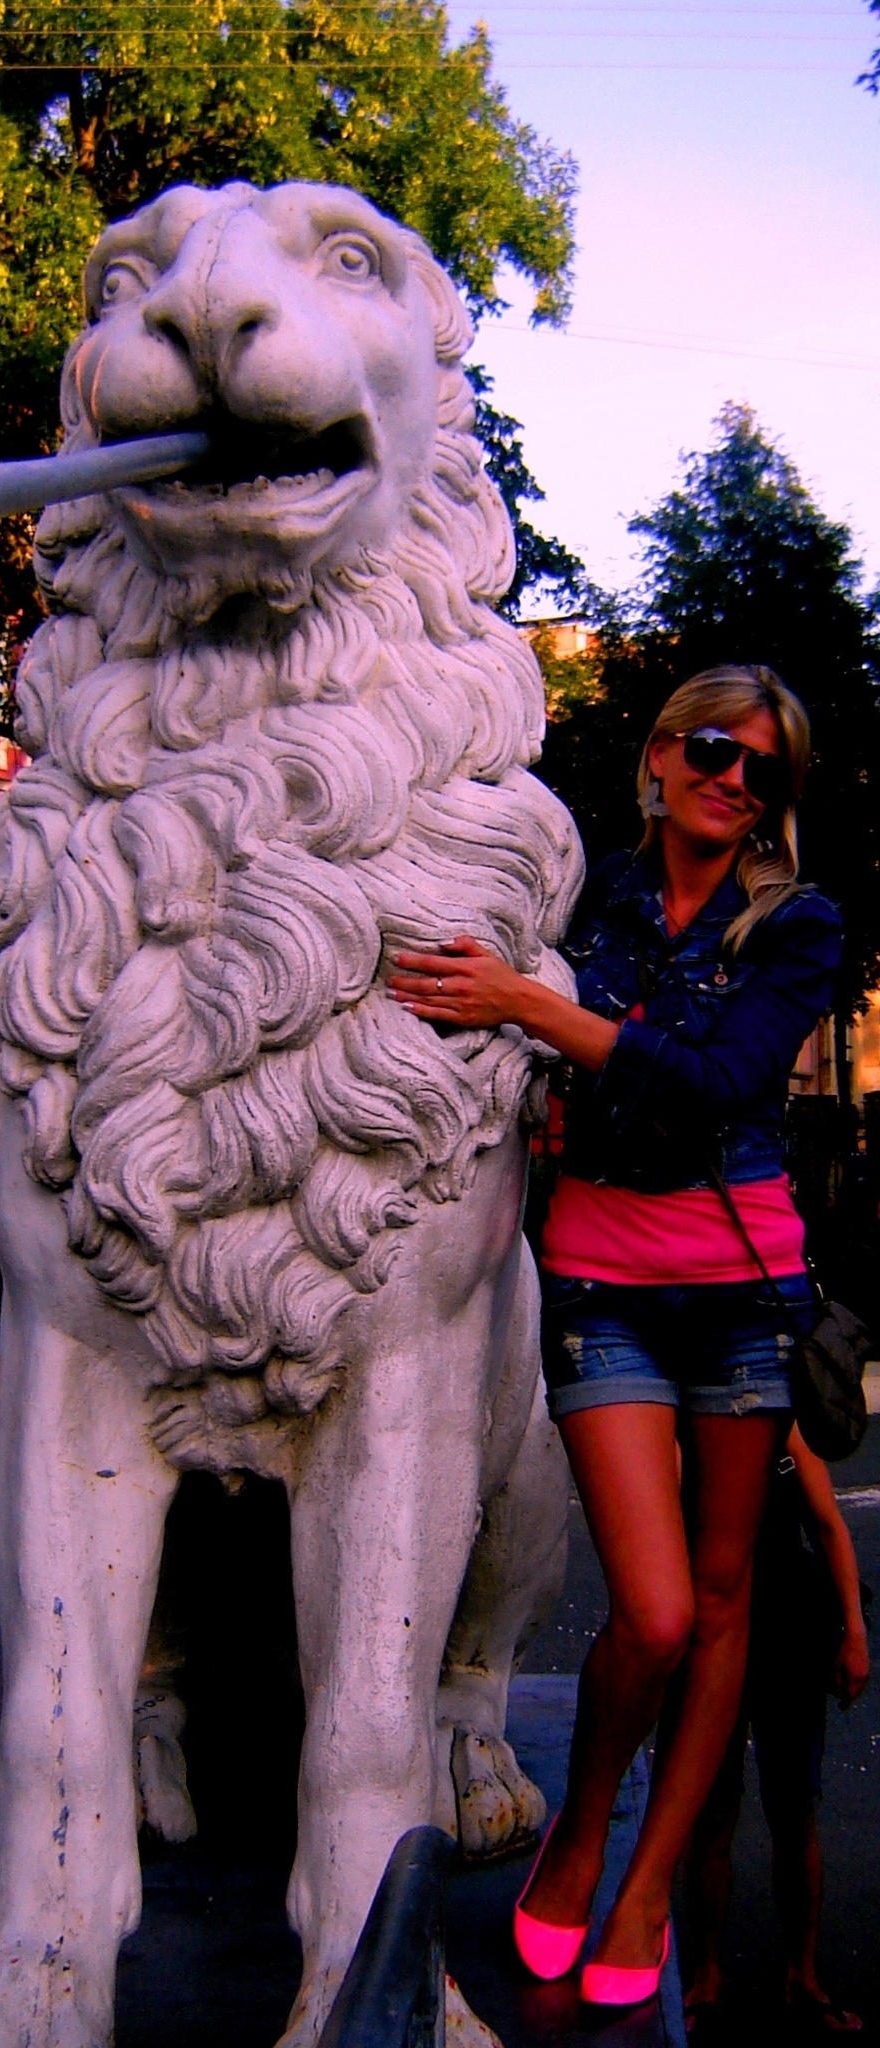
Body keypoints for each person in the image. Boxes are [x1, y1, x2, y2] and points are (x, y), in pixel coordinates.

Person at [388, 665, 843, 2008]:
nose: (731, 779)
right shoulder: (583, 898)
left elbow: (716, 1084)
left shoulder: (797, 923)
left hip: (742, 1291)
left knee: (720, 1603)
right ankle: (581, 1835)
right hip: (602, 1282)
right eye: (711, 748)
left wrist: (537, 1010)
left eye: (762, 769)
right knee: (650, 1610)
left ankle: (643, 1889)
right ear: (658, 754)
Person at [683, 1422, 870, 2041]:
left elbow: (828, 1525)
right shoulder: (681, 1425)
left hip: (787, 1635)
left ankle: (803, 1977)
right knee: (711, 1814)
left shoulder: (783, 1426)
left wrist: (854, 1632)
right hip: (711, 1639)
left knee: (793, 1813)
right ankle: (706, 1977)